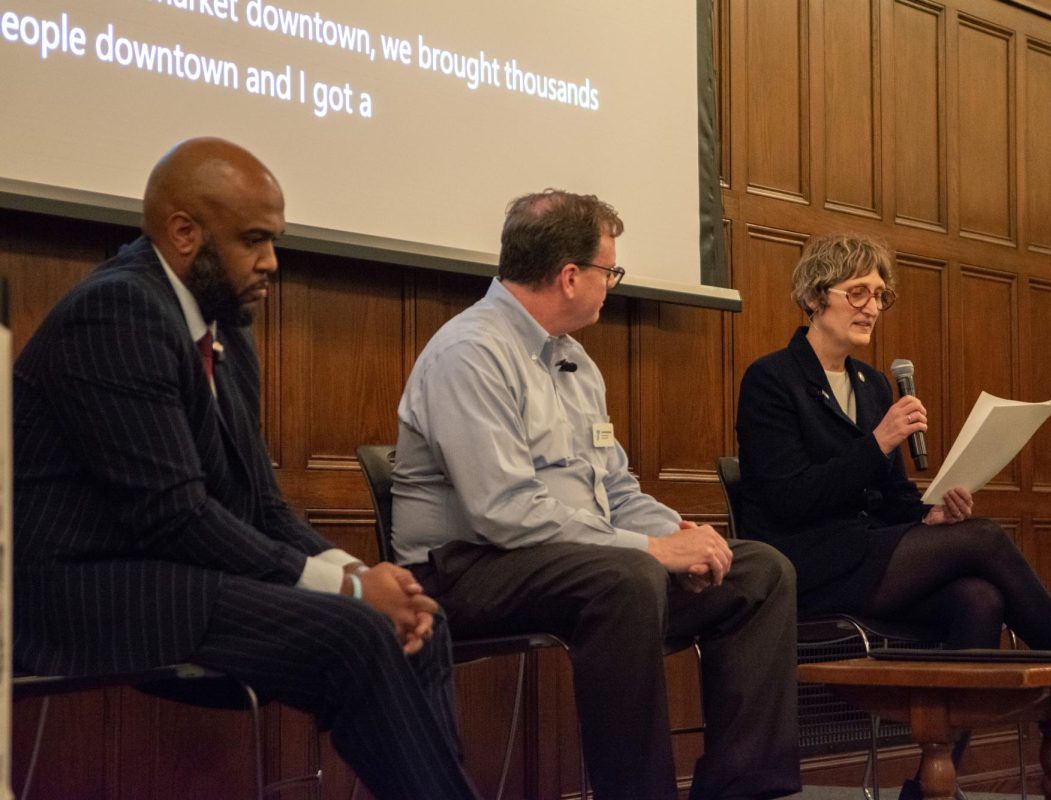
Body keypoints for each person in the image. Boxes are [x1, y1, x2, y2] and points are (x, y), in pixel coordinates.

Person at [12, 137, 480, 800]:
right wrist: (349, 595)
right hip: (85, 596)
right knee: (357, 634)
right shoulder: (117, 311)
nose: (272, 263)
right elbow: (173, 514)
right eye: (254, 240)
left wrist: (357, 573)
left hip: (176, 577)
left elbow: (260, 503)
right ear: (183, 233)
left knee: (418, 628)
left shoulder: (226, 324)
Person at [734, 233, 1051, 783]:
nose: (872, 307)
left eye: (881, 295)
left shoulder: (872, 384)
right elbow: (790, 499)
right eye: (858, 292)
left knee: (978, 597)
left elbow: (889, 497)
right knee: (982, 538)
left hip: (868, 557)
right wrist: (877, 442)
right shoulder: (771, 380)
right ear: (814, 297)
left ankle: (931, 784)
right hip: (806, 567)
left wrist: (928, 515)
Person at [391, 189, 801, 800]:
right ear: (569, 276)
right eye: (611, 271)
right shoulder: (470, 353)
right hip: (463, 567)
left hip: (575, 560)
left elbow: (614, 486)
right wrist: (650, 553)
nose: (613, 283)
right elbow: (506, 513)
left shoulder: (576, 363)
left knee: (760, 570)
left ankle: (742, 791)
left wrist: (679, 536)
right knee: (626, 579)